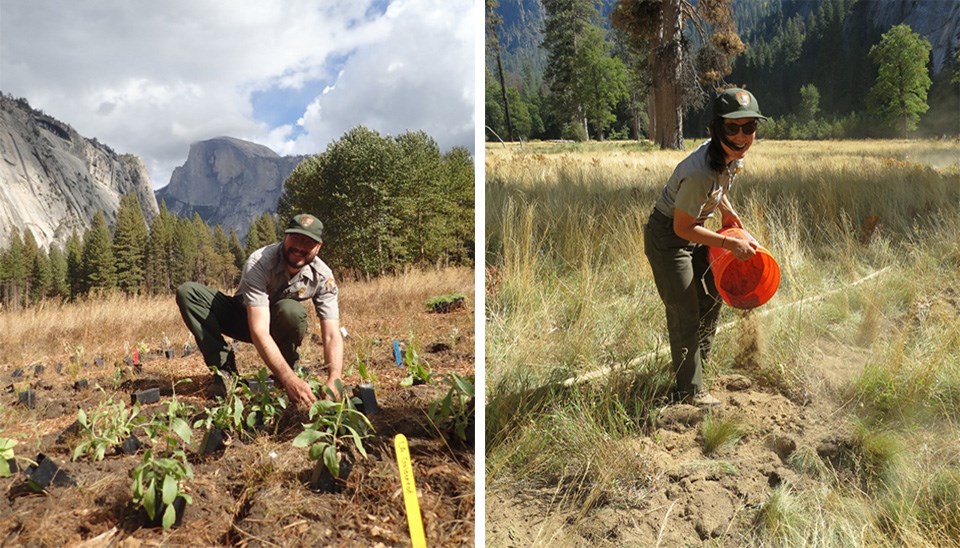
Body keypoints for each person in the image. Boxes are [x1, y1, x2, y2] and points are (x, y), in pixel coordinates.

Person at [643, 87, 766, 407]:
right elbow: (681, 227)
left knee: (714, 293)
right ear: (716, 128)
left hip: (691, 233)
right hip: (669, 240)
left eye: (749, 127)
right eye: (732, 127)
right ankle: (690, 393)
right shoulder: (699, 172)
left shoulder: (730, 156)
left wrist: (726, 209)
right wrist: (729, 242)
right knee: (685, 311)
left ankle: (698, 366)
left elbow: (719, 185)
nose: (742, 136)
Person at [175, 213, 343, 408]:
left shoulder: (323, 276)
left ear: (318, 247)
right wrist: (289, 380)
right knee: (188, 292)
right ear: (285, 237)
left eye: (308, 242)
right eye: (295, 238)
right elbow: (259, 330)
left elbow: (331, 334)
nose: (299, 247)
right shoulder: (261, 261)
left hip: (278, 324)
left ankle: (288, 367)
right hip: (243, 318)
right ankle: (225, 372)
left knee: (291, 311)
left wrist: (335, 377)